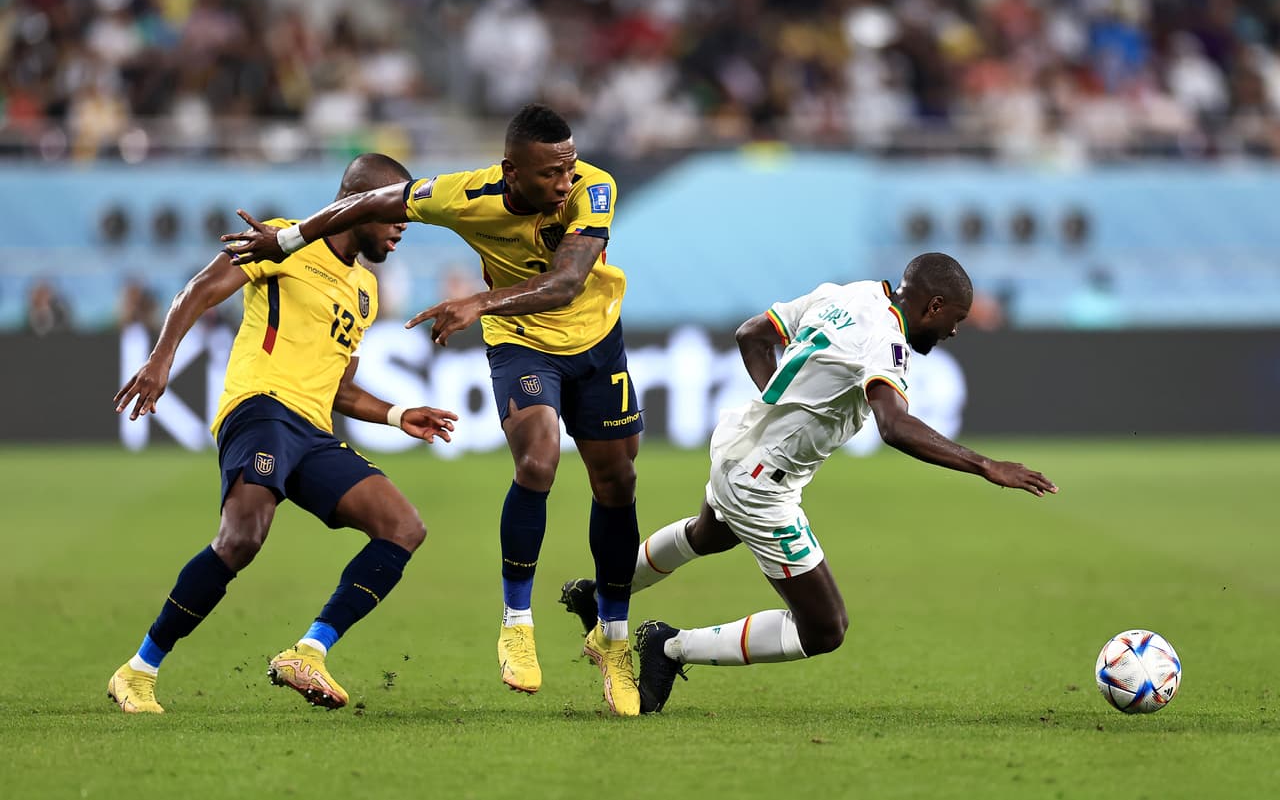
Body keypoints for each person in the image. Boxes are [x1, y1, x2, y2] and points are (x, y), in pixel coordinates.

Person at [220, 104, 645, 716]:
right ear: (511, 171)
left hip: (596, 339)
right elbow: (366, 202)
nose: (563, 183)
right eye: (550, 173)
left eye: (568, 167)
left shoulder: (593, 188)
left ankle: (613, 641)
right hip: (521, 341)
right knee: (538, 461)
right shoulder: (461, 196)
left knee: (617, 481)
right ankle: (517, 623)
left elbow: (568, 282)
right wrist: (287, 238)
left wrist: (479, 300)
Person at [561, 252, 1058, 713]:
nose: (954, 331)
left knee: (708, 534)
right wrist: (988, 466)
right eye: (957, 318)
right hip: (762, 482)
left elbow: (750, 334)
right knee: (824, 629)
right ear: (934, 306)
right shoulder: (885, 342)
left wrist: (781, 408)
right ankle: (668, 646)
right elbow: (895, 426)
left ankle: (600, 594)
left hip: (737, 443)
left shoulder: (848, 294)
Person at [107, 154, 459, 714]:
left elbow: (339, 389)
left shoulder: (365, 289)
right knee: (242, 537)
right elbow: (198, 290)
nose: (403, 223)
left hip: (313, 431)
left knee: (403, 527)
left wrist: (396, 415)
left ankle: (309, 651)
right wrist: (159, 360)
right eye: (394, 209)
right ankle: (139, 669)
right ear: (359, 203)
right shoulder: (283, 242)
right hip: (261, 409)